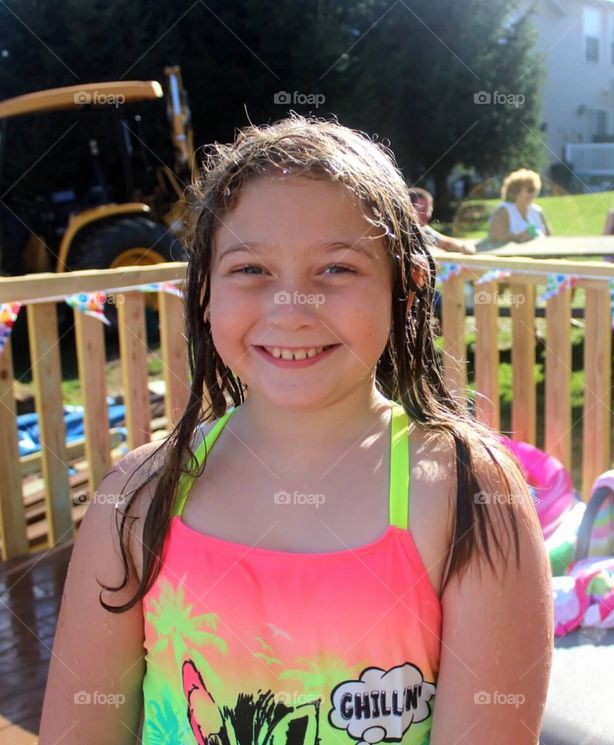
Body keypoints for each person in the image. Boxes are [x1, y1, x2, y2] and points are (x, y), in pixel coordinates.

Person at [39, 115, 553, 743]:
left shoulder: (466, 497)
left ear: (405, 287)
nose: (293, 308)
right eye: (251, 269)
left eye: (336, 269)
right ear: (203, 293)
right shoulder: (136, 498)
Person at [487, 168, 552, 244]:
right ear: (516, 191)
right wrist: (518, 237)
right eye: (530, 190)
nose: (534, 194)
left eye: (535, 190)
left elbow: (549, 237)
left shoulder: (537, 211)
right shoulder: (503, 210)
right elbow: (494, 237)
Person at [409, 186, 476, 255]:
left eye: (429, 210)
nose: (427, 214)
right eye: (423, 210)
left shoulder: (422, 229)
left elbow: (444, 243)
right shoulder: (400, 231)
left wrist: (463, 246)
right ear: (408, 209)